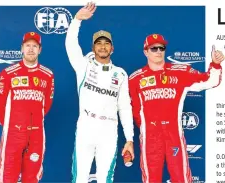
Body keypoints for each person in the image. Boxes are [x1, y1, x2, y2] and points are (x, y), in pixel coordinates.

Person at [129, 34, 224, 183]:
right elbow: (133, 108)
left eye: (162, 48)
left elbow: (210, 81)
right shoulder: (135, 78)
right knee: (151, 180)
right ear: (146, 52)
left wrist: (215, 64)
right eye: (154, 48)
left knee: (182, 179)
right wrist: (145, 128)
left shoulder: (180, 72)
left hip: (173, 134)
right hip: (150, 137)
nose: (158, 51)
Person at [65, 2, 134, 183]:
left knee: (106, 178)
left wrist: (129, 138)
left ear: (112, 48)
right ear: (93, 47)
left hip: (109, 130)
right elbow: (71, 45)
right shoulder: (83, 66)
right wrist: (77, 20)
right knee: (79, 177)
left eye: (106, 43)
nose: (102, 47)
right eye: (99, 43)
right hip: (86, 127)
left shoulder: (120, 74)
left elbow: (125, 108)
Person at [0, 31, 54, 183]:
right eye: (27, 45)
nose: (31, 49)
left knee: (32, 177)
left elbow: (46, 104)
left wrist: (33, 122)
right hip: (14, 133)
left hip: (36, 134)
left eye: (35, 46)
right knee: (8, 176)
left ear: (39, 50)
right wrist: (11, 125)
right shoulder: (7, 74)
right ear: (22, 48)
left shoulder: (47, 75)